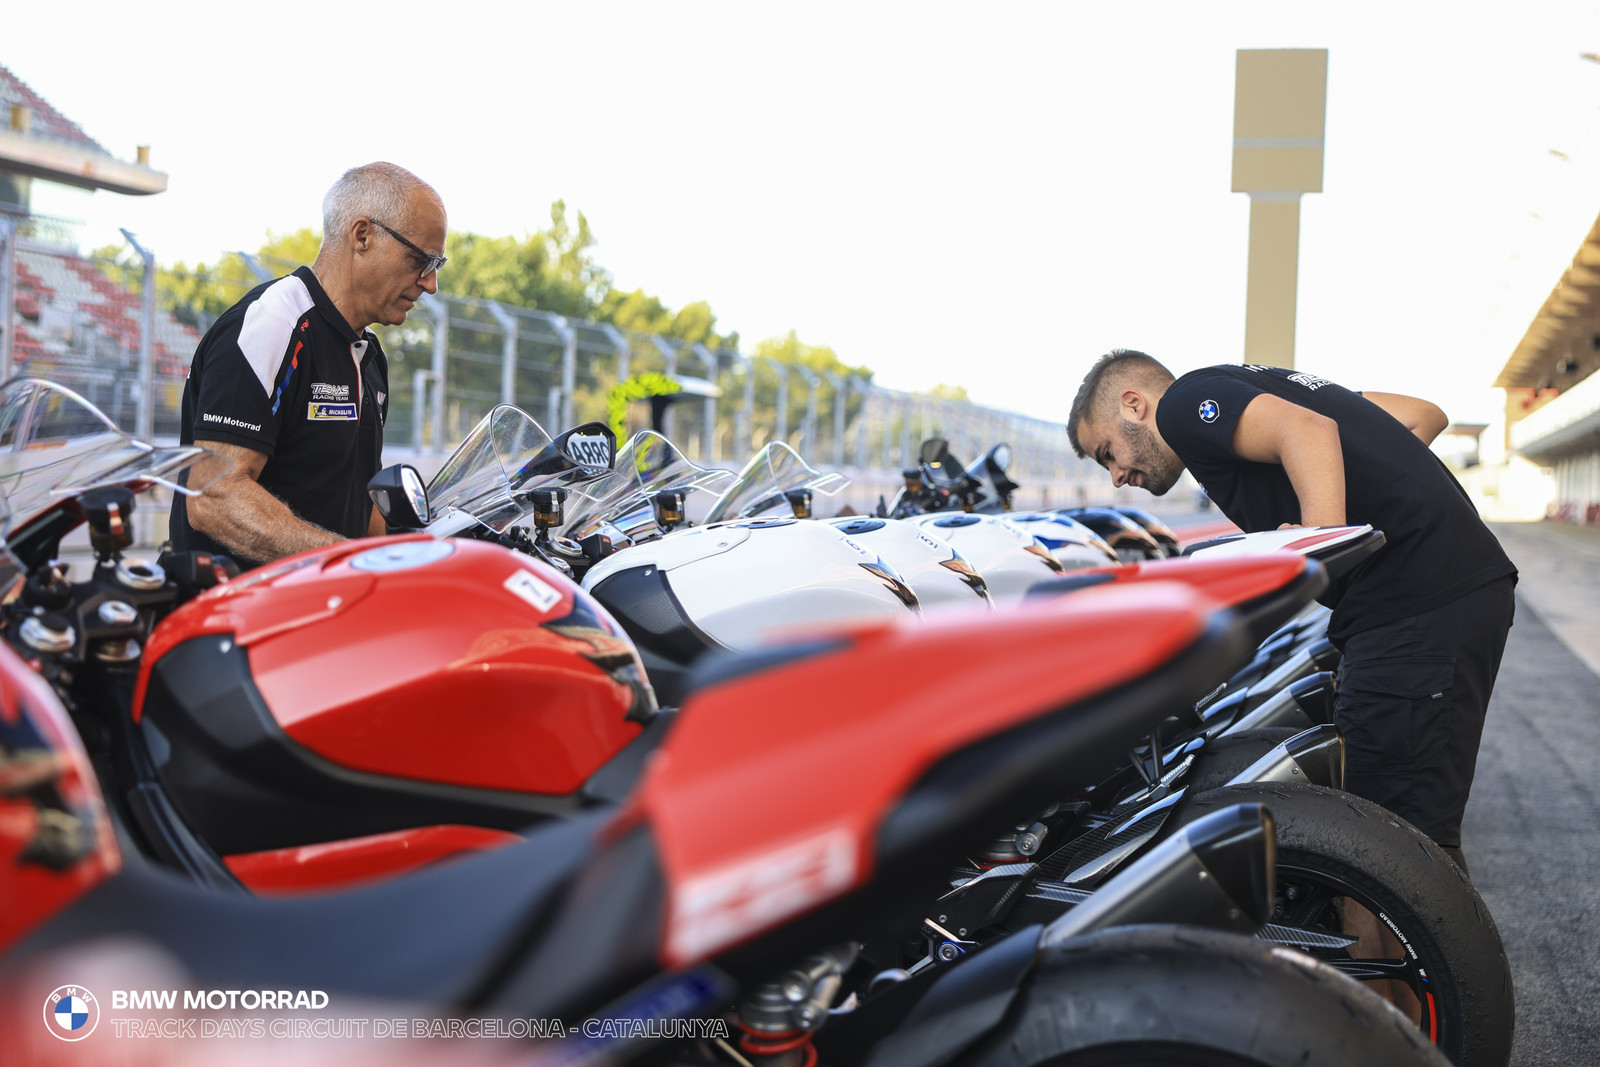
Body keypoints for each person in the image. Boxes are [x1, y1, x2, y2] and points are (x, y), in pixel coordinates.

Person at [1067, 350, 1516, 872]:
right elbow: (1420, 415)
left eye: (1106, 453)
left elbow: (1307, 429)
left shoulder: (1184, 404)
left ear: (1134, 404)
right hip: (1442, 597)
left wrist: (1322, 535)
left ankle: (1416, 951)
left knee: (1389, 847)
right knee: (1405, 833)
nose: (1117, 477)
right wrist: (1376, 490)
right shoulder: (1267, 387)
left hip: (1416, 609)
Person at [169, 162, 447, 569]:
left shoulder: (367, 351)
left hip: (323, 610)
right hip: (238, 617)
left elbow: (362, 503)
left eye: (437, 265)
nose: (430, 283)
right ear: (363, 235)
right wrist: (347, 564)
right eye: (421, 260)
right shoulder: (274, 324)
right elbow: (213, 496)